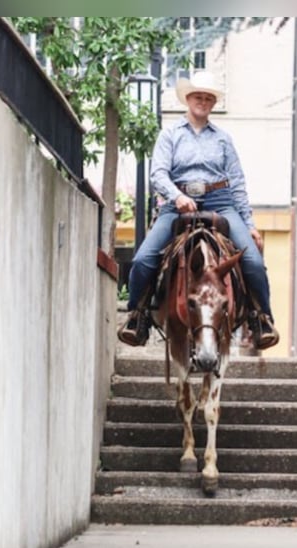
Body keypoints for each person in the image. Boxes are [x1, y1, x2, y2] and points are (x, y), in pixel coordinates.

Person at [117, 70, 279, 351]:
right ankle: (137, 316)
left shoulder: (223, 139)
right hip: (176, 206)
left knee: (252, 259)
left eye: (208, 97)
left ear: (213, 103)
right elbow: (158, 174)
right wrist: (176, 196)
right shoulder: (169, 135)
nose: (202, 101)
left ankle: (261, 319)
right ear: (187, 99)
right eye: (197, 96)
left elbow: (237, 183)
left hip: (220, 201)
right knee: (143, 259)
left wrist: (249, 223)